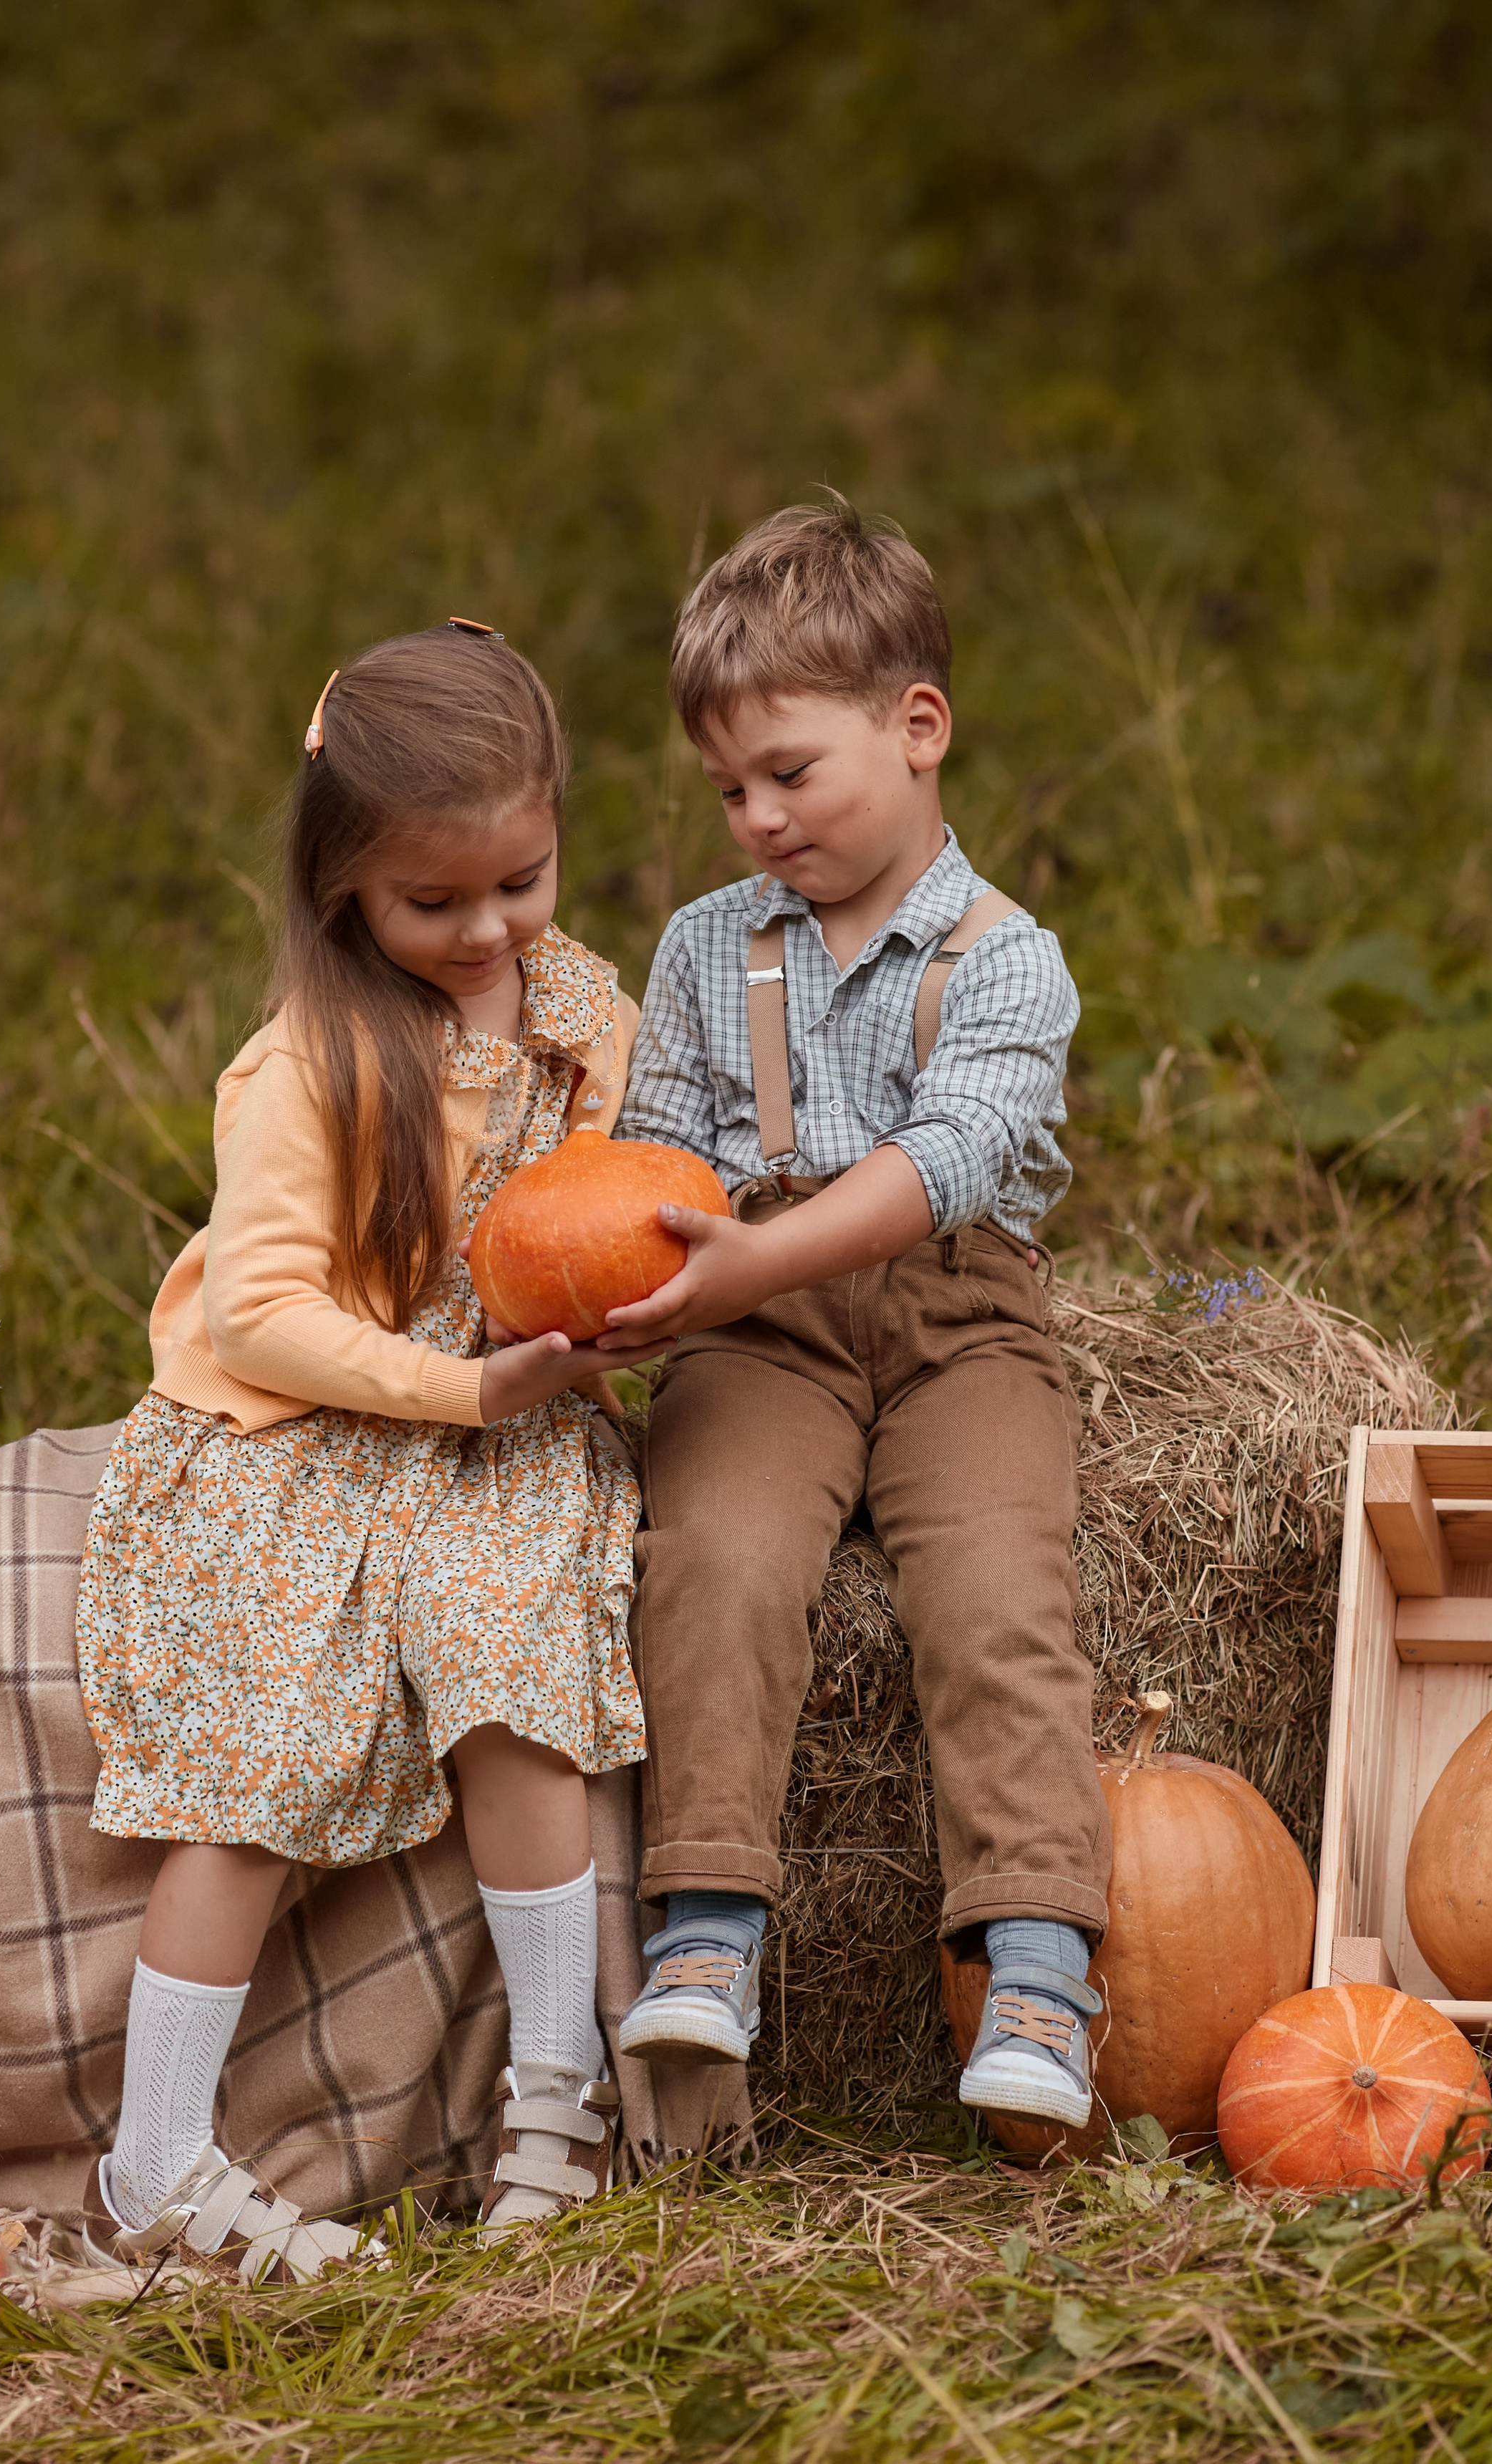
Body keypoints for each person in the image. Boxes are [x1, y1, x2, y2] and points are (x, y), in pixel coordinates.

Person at [75, 621, 659, 2272]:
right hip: (319, 1426)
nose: (487, 932)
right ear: (343, 886)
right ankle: (157, 2167)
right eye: (436, 903)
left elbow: (609, 1200)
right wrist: (463, 1391)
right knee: (252, 1757)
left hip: (505, 1416)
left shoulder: (577, 1013)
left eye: (521, 881)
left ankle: (556, 2093)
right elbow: (258, 1316)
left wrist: (634, 1308)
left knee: (510, 1670)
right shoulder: (313, 1064)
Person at [597, 499, 1111, 2131]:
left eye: (788, 774)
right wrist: (648, 1266)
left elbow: (950, 1156)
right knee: (718, 1559)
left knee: (994, 1585)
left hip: (957, 1321)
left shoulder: (1008, 960)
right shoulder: (702, 950)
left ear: (916, 729)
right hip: (761, 1338)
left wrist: (763, 1253)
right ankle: (704, 1932)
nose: (754, 816)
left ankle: (1033, 1960)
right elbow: (665, 1142)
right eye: (726, 789)